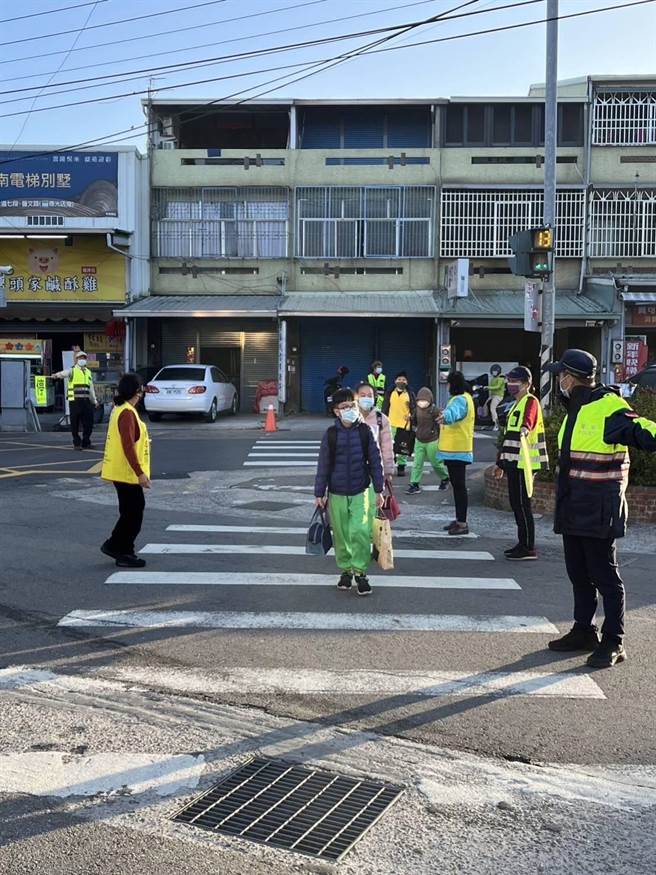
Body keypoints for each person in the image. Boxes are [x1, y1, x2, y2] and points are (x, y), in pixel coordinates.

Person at [544, 349, 656, 668]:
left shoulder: (610, 407)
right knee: (579, 575)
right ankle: (584, 631)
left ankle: (614, 641)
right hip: (572, 509)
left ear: (571, 377)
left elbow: (647, 432)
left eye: (561, 376)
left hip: (598, 510)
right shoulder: (576, 410)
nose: (559, 381)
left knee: (606, 578)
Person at [314, 387, 384, 596]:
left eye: (352, 406)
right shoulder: (331, 434)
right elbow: (323, 465)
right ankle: (346, 570)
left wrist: (379, 490)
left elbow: (375, 462)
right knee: (342, 535)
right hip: (336, 492)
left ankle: (361, 573)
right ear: (336, 411)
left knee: (361, 532)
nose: (350, 410)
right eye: (344, 407)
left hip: (361, 490)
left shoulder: (366, 432)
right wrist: (320, 493)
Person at [494, 366, 548, 560]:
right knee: (517, 504)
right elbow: (508, 437)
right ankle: (522, 543)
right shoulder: (515, 404)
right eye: (509, 381)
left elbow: (528, 421)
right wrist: (500, 464)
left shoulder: (530, 401)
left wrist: (525, 428)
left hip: (524, 463)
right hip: (513, 462)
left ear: (527, 384)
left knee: (522, 505)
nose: (510, 385)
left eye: (515, 382)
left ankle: (528, 547)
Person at [100, 373, 151, 569]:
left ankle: (116, 546)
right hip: (127, 472)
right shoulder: (127, 413)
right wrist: (140, 473)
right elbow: (128, 446)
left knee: (130, 511)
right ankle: (123, 551)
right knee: (134, 512)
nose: (144, 391)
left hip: (121, 471)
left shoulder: (121, 409)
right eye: (142, 388)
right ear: (137, 391)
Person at [437, 371, 475, 536]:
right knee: (458, 487)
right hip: (458, 450)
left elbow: (453, 413)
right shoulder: (467, 397)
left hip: (456, 450)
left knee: (459, 487)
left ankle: (462, 522)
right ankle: (460, 519)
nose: (448, 388)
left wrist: (444, 416)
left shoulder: (460, 399)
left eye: (450, 384)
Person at [50, 350, 100, 450]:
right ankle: (77, 444)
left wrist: (95, 401)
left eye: (84, 358)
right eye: (80, 358)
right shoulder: (72, 370)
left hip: (86, 402)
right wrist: (56, 375)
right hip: (75, 402)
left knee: (89, 423)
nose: (82, 359)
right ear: (77, 359)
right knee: (75, 424)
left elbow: (91, 389)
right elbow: (63, 373)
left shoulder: (88, 372)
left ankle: (86, 442)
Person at [406, 387, 450, 495]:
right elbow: (414, 420)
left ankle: (445, 478)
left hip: (432, 440)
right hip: (419, 440)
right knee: (417, 463)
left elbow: (441, 421)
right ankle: (414, 484)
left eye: (425, 400)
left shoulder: (434, 410)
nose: (422, 403)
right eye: (420, 400)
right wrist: (409, 418)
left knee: (436, 463)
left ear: (430, 400)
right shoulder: (417, 409)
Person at [355, 382, 395, 479]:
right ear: (356, 397)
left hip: (375, 469)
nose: (366, 398)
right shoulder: (350, 417)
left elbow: (387, 447)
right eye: (363, 395)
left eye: (369, 396)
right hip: (353, 468)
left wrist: (387, 470)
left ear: (374, 398)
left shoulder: (381, 419)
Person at [382, 371, 416, 477]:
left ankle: (401, 467)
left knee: (403, 448)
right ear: (395, 381)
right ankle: (390, 466)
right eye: (399, 379)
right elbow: (385, 407)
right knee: (389, 447)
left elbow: (414, 408)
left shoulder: (410, 394)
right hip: (391, 423)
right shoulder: (390, 392)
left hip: (405, 425)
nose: (401, 381)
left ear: (407, 382)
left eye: (403, 380)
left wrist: (411, 415)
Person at [488, 364, 506, 431]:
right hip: (492, 396)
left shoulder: (501, 379)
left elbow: (497, 387)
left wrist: (488, 387)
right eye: (493, 371)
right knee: (485, 406)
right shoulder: (492, 379)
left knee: (492, 408)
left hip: (498, 396)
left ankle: (496, 424)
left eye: (495, 371)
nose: (494, 373)